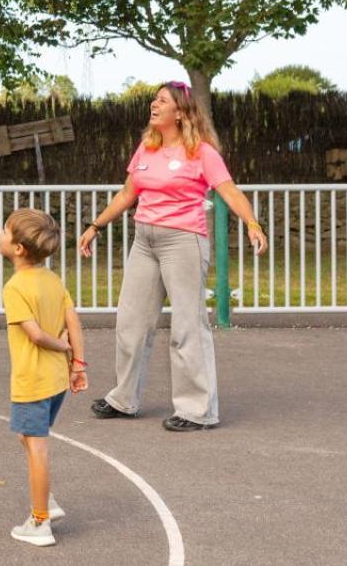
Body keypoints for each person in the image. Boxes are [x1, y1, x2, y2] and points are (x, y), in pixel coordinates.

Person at [78, 80, 267, 431]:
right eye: (154, 99)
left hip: (183, 242)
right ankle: (124, 399)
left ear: (180, 112)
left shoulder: (202, 153)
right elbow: (126, 195)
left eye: (162, 101)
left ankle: (197, 410)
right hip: (144, 242)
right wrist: (95, 226)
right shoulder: (146, 149)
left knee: (187, 326)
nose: (154, 104)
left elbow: (229, 191)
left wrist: (252, 224)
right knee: (130, 323)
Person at [1, 208, 87, 548]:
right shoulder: (52, 280)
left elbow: (35, 335)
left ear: (19, 248)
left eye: (5, 231)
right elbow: (74, 320)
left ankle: (40, 522)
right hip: (54, 382)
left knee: (36, 446)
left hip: (32, 380)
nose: (1, 235)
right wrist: (77, 362)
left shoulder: (15, 287)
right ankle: (46, 499)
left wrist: (61, 345)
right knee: (27, 435)